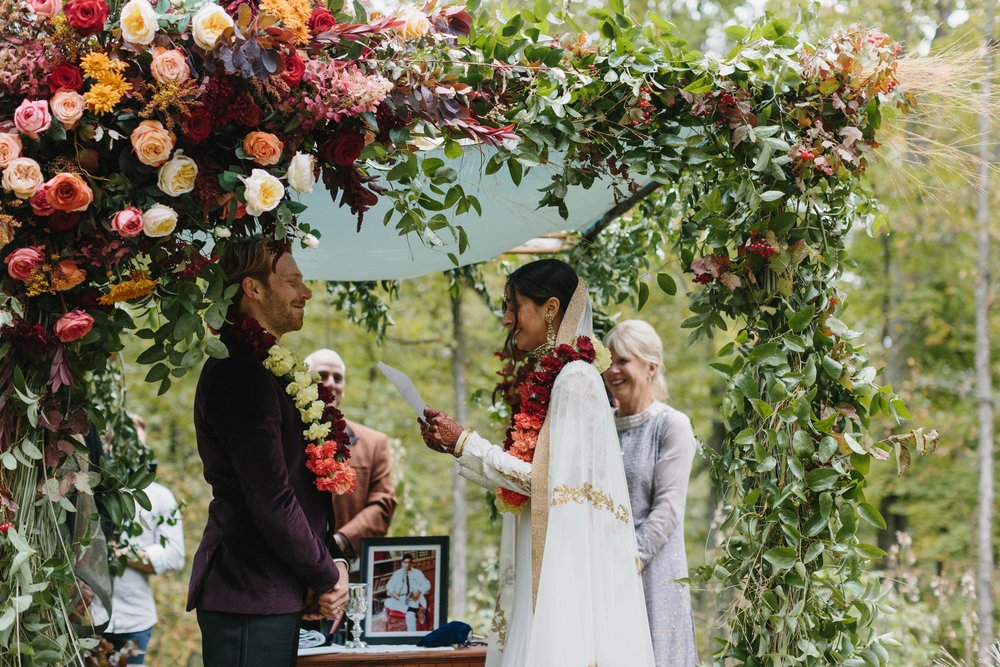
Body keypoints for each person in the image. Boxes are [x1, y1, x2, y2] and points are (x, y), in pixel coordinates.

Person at [419, 259, 655, 666]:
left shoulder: (576, 379)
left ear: (549, 308)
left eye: (515, 306)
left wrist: (466, 444)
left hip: (562, 571)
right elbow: (535, 479)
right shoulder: (559, 375)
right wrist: (456, 447)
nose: (508, 319)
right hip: (541, 556)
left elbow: (552, 486)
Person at [187, 236, 348, 667]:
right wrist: (327, 575)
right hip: (246, 591)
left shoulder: (263, 368)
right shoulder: (238, 372)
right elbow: (271, 500)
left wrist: (320, 567)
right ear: (253, 289)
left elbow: (295, 487)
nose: (306, 292)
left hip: (270, 590)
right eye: (293, 281)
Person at [604, 320, 698, 666]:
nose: (612, 370)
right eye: (609, 361)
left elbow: (668, 509)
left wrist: (628, 561)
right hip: (602, 574)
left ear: (650, 367)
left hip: (653, 573)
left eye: (623, 361)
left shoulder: (671, 426)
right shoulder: (599, 426)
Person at [104, 416, 185, 665]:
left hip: (134, 619)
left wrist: (122, 554)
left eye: (139, 445)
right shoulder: (88, 493)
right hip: (88, 618)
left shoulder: (160, 497)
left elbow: (174, 555)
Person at [305, 348, 396, 566]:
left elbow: (383, 505)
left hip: (349, 569)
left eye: (337, 378)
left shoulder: (373, 443)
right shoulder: (284, 437)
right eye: (322, 375)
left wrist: (340, 543)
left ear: (343, 389)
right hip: (290, 571)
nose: (330, 383)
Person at [382, 553, 431, 631]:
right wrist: (393, 592)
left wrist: (419, 591)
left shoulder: (417, 573)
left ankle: (412, 637)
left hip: (413, 598)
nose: (407, 565)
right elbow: (389, 585)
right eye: (405, 562)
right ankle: (416, 610)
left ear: (412, 563)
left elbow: (427, 584)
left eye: (409, 562)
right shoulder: (397, 573)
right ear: (402, 563)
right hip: (400, 598)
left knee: (410, 616)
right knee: (387, 602)